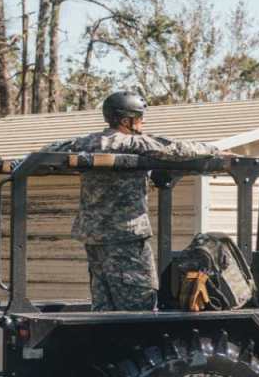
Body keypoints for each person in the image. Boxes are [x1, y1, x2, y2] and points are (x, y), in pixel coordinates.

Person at [47, 91, 220, 311]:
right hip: (125, 236)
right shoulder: (132, 143)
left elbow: (49, 151)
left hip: (93, 236)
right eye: (139, 117)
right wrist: (213, 150)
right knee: (140, 301)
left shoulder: (85, 143)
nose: (143, 121)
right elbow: (176, 149)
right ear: (125, 120)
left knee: (103, 303)